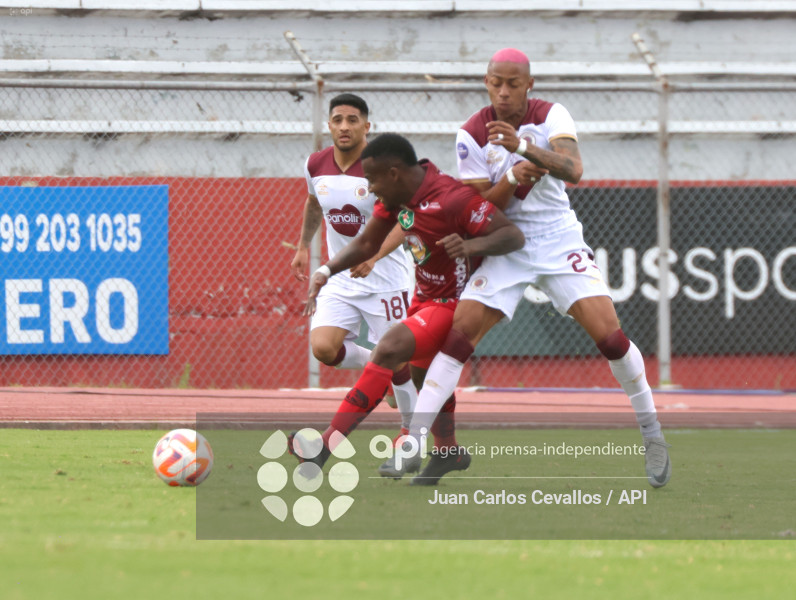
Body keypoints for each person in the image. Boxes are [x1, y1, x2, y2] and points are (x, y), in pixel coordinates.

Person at [402, 48, 671, 488]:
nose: (504, 92)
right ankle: (412, 443)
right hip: (507, 241)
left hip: (557, 237)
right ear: (486, 82)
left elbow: (574, 169)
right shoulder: (470, 133)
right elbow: (477, 207)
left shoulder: (551, 115)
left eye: (513, 83)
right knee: (458, 337)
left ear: (530, 84)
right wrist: (509, 178)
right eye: (496, 83)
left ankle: (652, 433)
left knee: (611, 338)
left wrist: (524, 148)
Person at [289, 133, 525, 484]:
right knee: (420, 375)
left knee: (388, 349)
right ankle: (448, 453)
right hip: (424, 297)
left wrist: (471, 244)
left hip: (455, 303)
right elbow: (368, 241)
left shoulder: (452, 198)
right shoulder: (398, 197)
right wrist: (325, 271)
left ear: (394, 173)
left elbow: (512, 236)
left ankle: (325, 446)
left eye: (371, 180)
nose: (369, 189)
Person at [290, 93, 416, 427]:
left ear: (366, 126)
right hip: (342, 276)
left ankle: (410, 431)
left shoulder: (384, 167)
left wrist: (374, 255)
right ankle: (378, 363)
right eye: (338, 120)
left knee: (402, 364)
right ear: (329, 125)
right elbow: (314, 203)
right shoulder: (315, 165)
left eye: (352, 120)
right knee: (324, 348)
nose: (344, 127)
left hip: (386, 280)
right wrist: (303, 245)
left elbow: (408, 222)